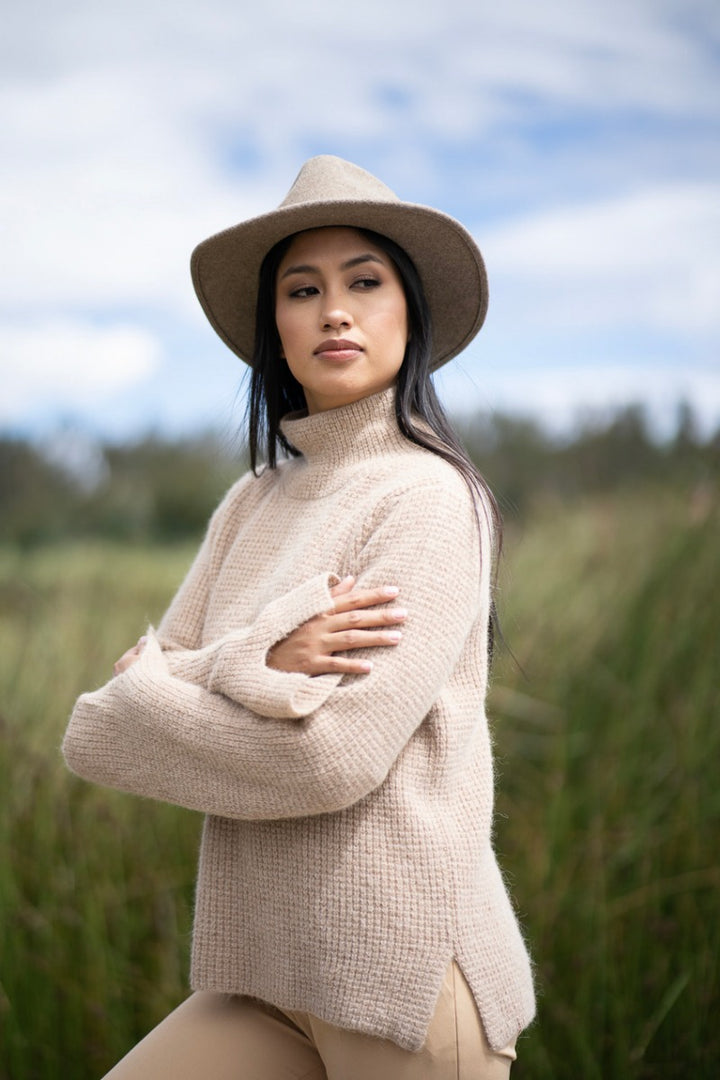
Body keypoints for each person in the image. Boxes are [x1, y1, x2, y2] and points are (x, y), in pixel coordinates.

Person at [63, 155, 535, 1079]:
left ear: (413, 312)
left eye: (365, 281)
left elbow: (329, 759)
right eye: (302, 288)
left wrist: (178, 681)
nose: (334, 310)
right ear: (273, 326)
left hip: (407, 983)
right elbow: (99, 732)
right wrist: (258, 656)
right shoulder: (250, 501)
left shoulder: (429, 498)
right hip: (265, 977)